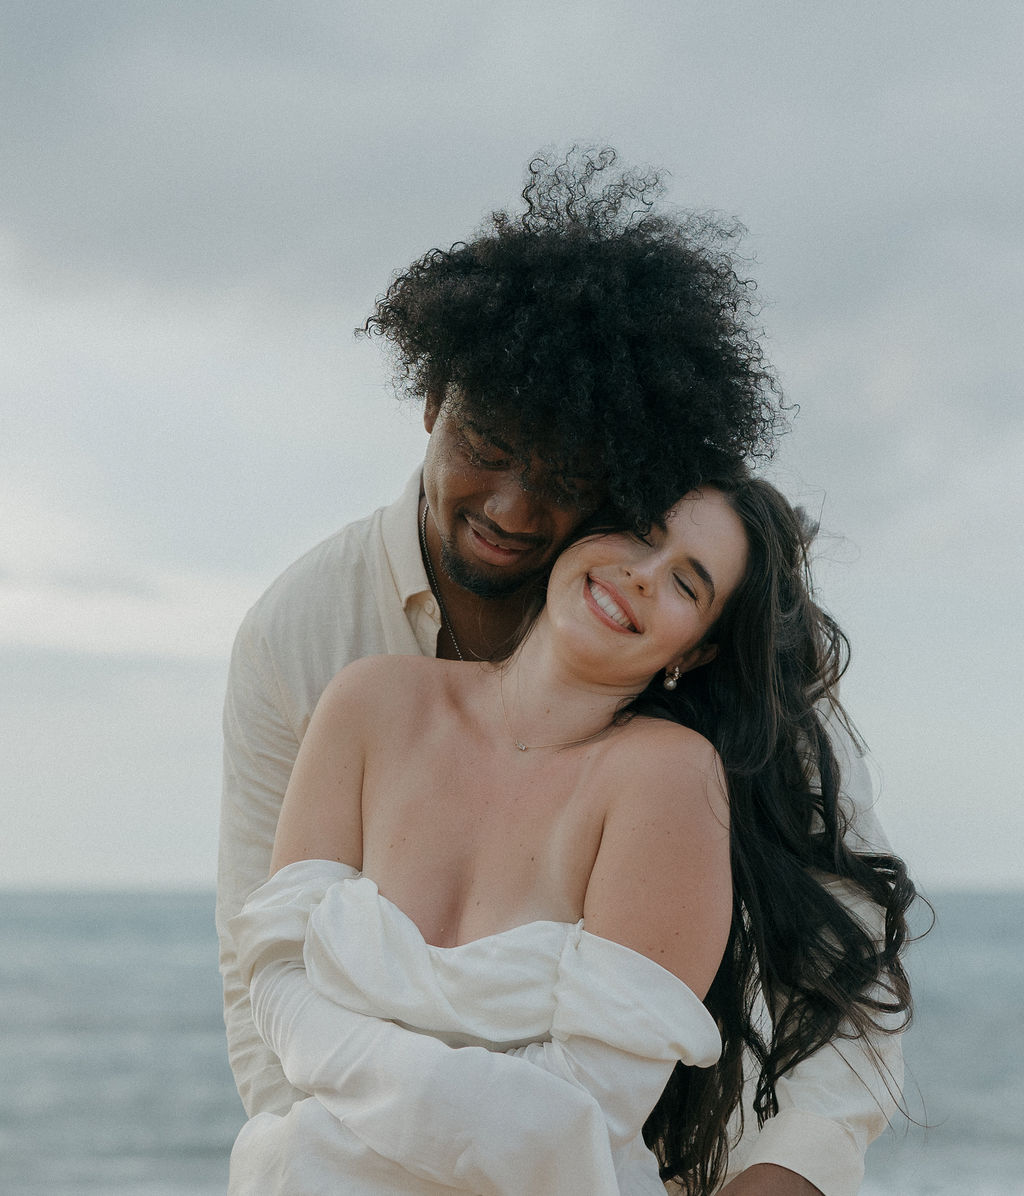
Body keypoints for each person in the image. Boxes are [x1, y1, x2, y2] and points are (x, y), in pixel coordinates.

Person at [217, 150, 904, 1194]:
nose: (516, 508)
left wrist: (779, 1174)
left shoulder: (698, 697)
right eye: (486, 444)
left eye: (571, 477)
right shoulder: (315, 641)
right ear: (431, 401)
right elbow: (259, 974)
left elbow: (842, 961)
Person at [224, 472, 915, 1194]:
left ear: (696, 651)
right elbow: (270, 973)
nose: (644, 577)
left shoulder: (671, 779)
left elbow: (586, 1104)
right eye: (641, 535)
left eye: (687, 584)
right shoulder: (368, 699)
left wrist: (335, 1109)